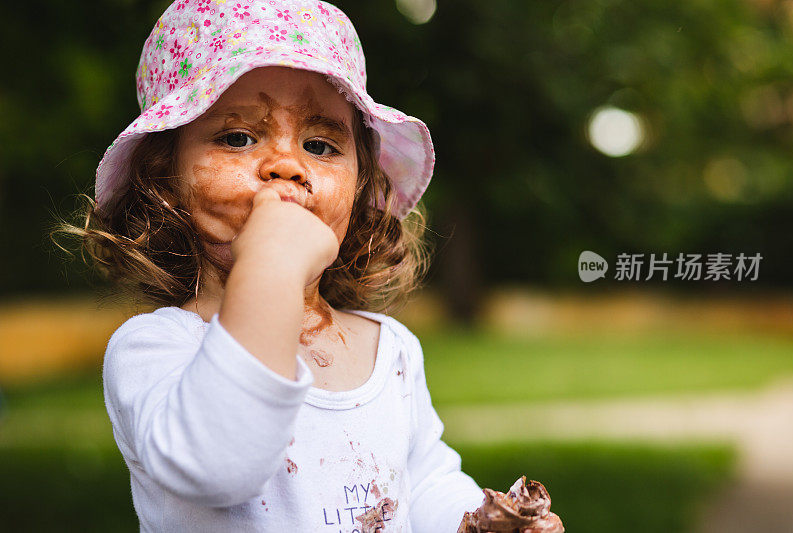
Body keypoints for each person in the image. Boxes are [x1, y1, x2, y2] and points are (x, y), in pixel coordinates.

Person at [66, 0, 488, 531]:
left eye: (320, 144)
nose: (287, 165)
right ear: (164, 178)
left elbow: (423, 484)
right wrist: (271, 267)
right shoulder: (155, 349)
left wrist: (480, 521)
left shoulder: (391, 349)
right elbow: (218, 466)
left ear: (360, 190)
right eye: (238, 138)